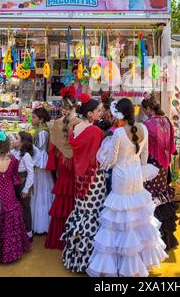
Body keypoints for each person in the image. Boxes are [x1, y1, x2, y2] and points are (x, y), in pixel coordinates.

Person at [87, 98, 167, 277]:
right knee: (136, 213)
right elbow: (144, 156)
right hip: (136, 173)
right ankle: (138, 262)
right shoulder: (143, 128)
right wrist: (138, 167)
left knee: (120, 215)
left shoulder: (118, 134)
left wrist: (101, 159)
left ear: (119, 114)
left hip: (121, 176)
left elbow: (112, 160)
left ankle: (119, 262)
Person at [62, 94, 107, 274]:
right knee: (93, 214)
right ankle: (89, 260)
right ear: (90, 114)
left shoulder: (75, 128)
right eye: (98, 111)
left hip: (79, 177)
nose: (101, 113)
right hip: (94, 177)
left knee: (80, 212)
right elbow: (99, 156)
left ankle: (74, 257)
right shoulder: (95, 132)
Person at [141, 93, 179, 250]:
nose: (144, 112)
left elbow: (144, 149)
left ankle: (154, 240)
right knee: (162, 195)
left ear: (148, 108)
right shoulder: (167, 120)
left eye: (144, 110)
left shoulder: (146, 124)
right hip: (164, 165)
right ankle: (167, 238)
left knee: (151, 198)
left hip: (151, 166)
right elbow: (172, 145)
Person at [45, 86, 81, 250]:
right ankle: (73, 237)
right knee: (75, 196)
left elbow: (51, 148)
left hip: (62, 163)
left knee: (62, 196)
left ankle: (58, 237)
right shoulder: (80, 124)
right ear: (75, 106)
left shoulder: (56, 124)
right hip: (75, 164)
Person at [0, 131, 30, 267]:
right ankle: (10, 253)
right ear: (7, 145)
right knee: (10, 224)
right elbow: (15, 179)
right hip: (10, 196)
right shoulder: (13, 160)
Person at [31, 107, 54, 234]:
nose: (32, 119)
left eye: (34, 117)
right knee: (40, 191)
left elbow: (41, 153)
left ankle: (41, 224)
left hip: (40, 167)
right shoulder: (40, 130)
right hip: (40, 166)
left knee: (40, 191)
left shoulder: (42, 132)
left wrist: (32, 162)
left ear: (41, 119)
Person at [12, 131, 35, 242]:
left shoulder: (26, 156)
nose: (13, 140)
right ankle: (19, 232)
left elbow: (31, 173)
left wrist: (26, 189)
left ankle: (28, 233)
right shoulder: (13, 153)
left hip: (22, 184)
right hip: (14, 184)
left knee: (25, 208)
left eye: (16, 138)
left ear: (22, 142)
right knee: (17, 208)